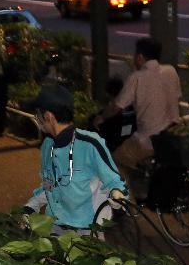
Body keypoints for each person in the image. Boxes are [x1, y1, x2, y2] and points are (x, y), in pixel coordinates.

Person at [22, 84, 128, 235]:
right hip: (54, 227)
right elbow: (49, 185)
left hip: (87, 233)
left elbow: (115, 182)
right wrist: (31, 206)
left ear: (48, 116)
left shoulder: (90, 144)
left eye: (37, 115)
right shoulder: (47, 146)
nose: (36, 119)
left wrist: (117, 194)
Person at [93, 37, 181, 194]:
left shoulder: (137, 78)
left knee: (114, 160)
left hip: (149, 141)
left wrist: (101, 118)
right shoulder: (171, 71)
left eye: (135, 55)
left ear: (140, 57)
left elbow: (117, 107)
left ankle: (125, 203)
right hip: (171, 137)